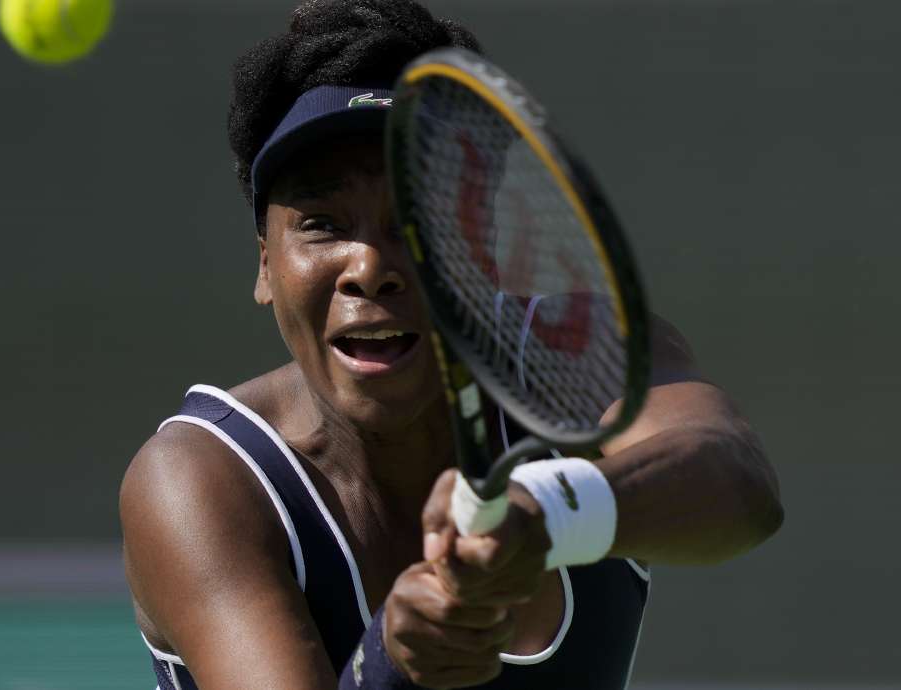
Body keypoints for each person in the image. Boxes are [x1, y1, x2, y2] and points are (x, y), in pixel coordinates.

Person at [120, 2, 784, 689]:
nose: (368, 267)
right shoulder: (198, 480)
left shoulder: (579, 360)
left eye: (415, 220)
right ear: (266, 264)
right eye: (322, 223)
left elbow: (739, 482)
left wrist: (545, 513)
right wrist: (390, 662)